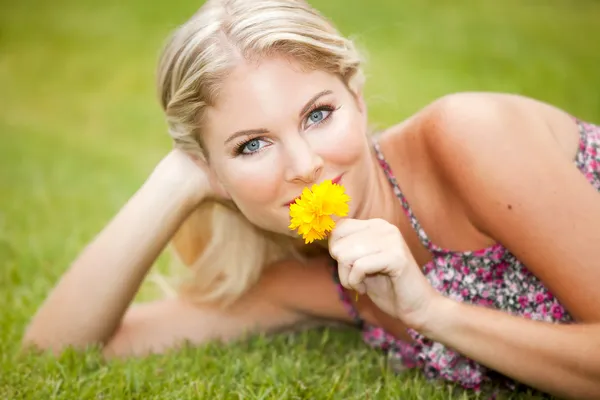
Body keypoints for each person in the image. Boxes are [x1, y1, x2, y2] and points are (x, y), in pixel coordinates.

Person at [22, 0, 600, 398]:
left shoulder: (472, 136)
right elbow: (51, 355)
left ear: (359, 96)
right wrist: (176, 184)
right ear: (215, 172)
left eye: (318, 114)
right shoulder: (320, 280)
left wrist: (431, 314)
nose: (304, 167)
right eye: (252, 146)